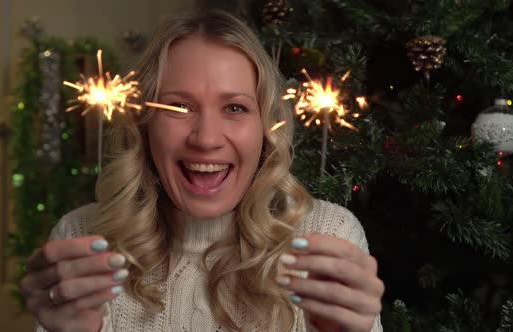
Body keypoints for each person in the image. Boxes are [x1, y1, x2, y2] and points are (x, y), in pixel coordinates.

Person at [20, 10, 384, 332]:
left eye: (236, 108)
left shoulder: (329, 235)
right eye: (179, 107)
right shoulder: (82, 237)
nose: (206, 139)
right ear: (145, 124)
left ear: (266, 128)